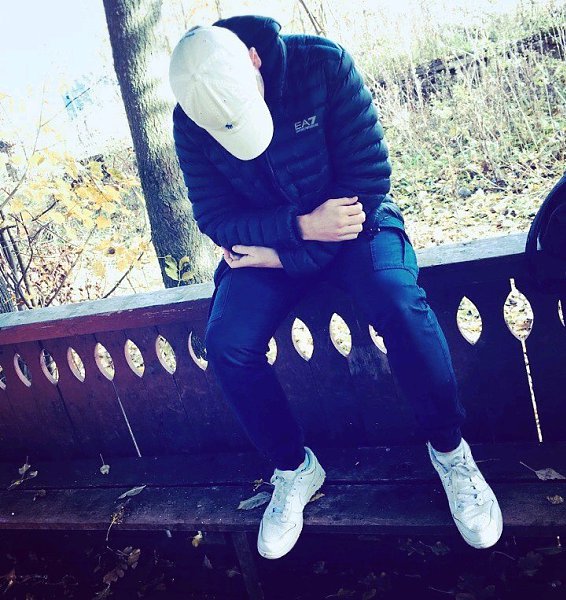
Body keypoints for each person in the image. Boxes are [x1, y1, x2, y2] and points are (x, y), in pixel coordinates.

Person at [168, 15, 503, 560]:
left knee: (398, 302)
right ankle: (293, 468)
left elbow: (368, 178)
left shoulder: (322, 64)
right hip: (270, 245)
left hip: (356, 223)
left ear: (254, 58)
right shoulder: (191, 118)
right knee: (227, 343)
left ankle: (450, 450)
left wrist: (292, 248)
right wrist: (298, 232)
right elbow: (215, 216)